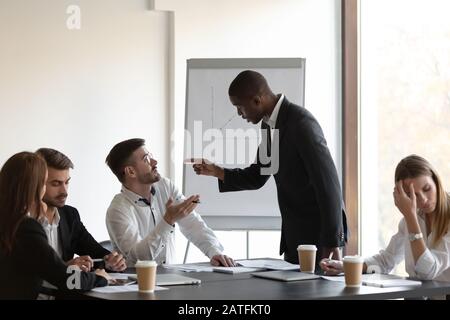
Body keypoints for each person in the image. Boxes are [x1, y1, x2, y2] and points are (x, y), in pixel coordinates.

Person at [192, 70, 347, 265]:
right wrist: (217, 171)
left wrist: (333, 242)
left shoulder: (301, 123)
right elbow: (259, 174)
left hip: (319, 241)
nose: (239, 114)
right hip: (295, 239)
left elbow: (328, 184)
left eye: (240, 107)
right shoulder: (268, 125)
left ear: (257, 100)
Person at [321, 155, 450, 290]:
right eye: (413, 195)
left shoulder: (412, 217)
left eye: (427, 189)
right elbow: (387, 260)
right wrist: (345, 266)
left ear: (436, 181)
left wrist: (410, 216)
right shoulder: (413, 218)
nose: (423, 199)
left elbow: (428, 271)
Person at [105, 138, 235, 267]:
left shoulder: (165, 186)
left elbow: (193, 224)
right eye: (146, 159)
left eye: (151, 156)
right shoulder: (117, 210)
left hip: (173, 279)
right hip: (138, 284)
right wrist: (168, 220)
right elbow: (139, 258)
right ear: (130, 171)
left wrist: (214, 252)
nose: (155, 162)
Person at [0, 152, 109, 299]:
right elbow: (69, 281)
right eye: (46, 183)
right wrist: (99, 278)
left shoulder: (9, 221)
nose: (64, 190)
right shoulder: (26, 227)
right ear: (36, 187)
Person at [36, 148, 126, 273]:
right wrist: (64, 268)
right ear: (36, 184)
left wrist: (111, 261)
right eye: (56, 184)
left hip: (66, 291)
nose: (64, 192)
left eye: (67, 182)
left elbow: (96, 254)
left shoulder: (69, 215)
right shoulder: (21, 219)